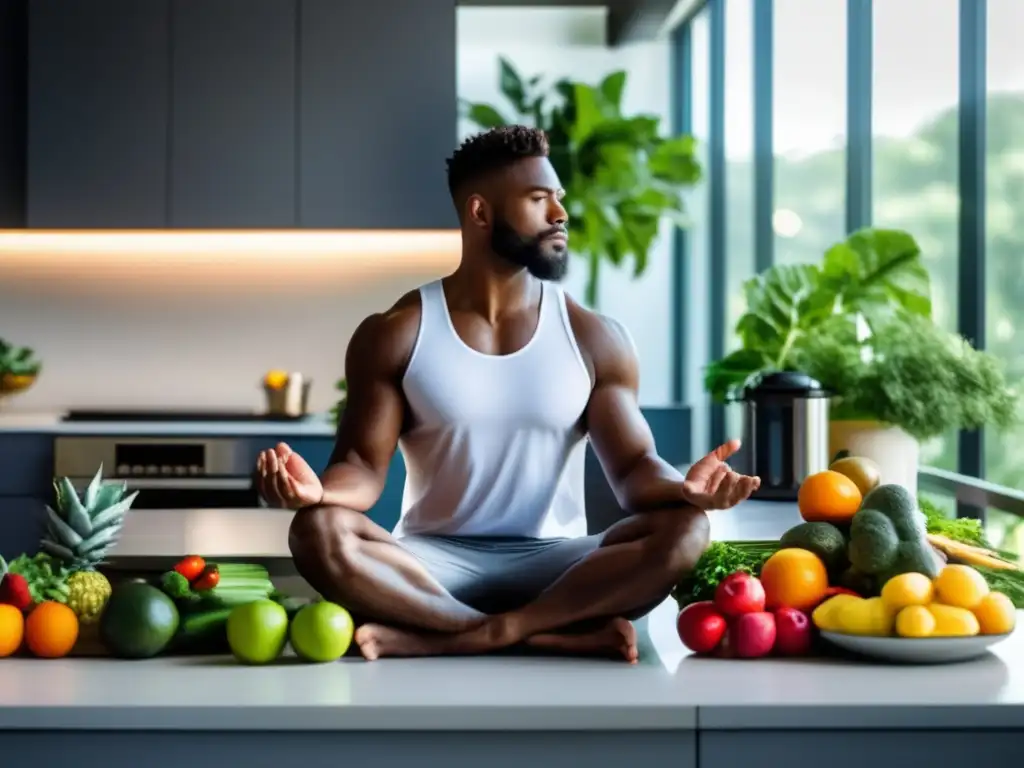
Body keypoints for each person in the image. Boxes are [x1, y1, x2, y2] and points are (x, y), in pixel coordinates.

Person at [255, 125, 760, 662]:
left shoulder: (594, 336)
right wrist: (318, 494)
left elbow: (636, 470)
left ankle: (465, 637)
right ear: (480, 214)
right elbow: (359, 465)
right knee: (318, 531)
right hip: (430, 564)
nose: (560, 215)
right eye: (539, 200)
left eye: (558, 199)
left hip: (558, 562)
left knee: (685, 528)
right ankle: (545, 635)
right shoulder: (397, 331)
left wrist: (687, 491)